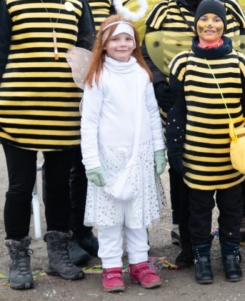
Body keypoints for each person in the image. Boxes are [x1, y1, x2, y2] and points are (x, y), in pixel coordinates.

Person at [0, 0, 94, 290]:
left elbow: (87, 51)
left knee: (58, 186)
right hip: (17, 112)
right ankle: (19, 257)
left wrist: (95, 100)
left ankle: (58, 254)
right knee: (20, 187)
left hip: (64, 114)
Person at [141, 0, 245, 267]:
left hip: (224, 112)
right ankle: (188, 241)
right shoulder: (163, 9)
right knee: (183, 175)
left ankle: (231, 242)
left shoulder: (229, 5)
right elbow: (147, 50)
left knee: (230, 176)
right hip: (178, 108)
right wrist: (159, 82)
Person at [166, 0, 245, 284]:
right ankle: (201, 256)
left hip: (232, 156)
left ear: (225, 25)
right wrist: (174, 146)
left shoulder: (239, 62)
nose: (209, 25)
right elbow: (177, 109)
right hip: (197, 156)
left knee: (231, 209)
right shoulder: (182, 63)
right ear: (195, 24)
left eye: (216, 20)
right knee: (199, 211)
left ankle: (230, 254)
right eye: (204, 19)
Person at [80, 15, 165, 293]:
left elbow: (152, 113)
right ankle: (112, 267)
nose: (122, 44)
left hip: (139, 156)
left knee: (136, 216)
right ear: (104, 43)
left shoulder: (141, 74)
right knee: (110, 218)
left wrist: (158, 149)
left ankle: (140, 264)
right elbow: (89, 122)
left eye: (128, 38)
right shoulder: (98, 76)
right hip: (108, 158)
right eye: (115, 39)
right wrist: (92, 162)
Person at [58, 0, 115, 264]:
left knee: (86, 162)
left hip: (98, 88)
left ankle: (82, 230)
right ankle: (63, 234)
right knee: (63, 163)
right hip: (63, 89)